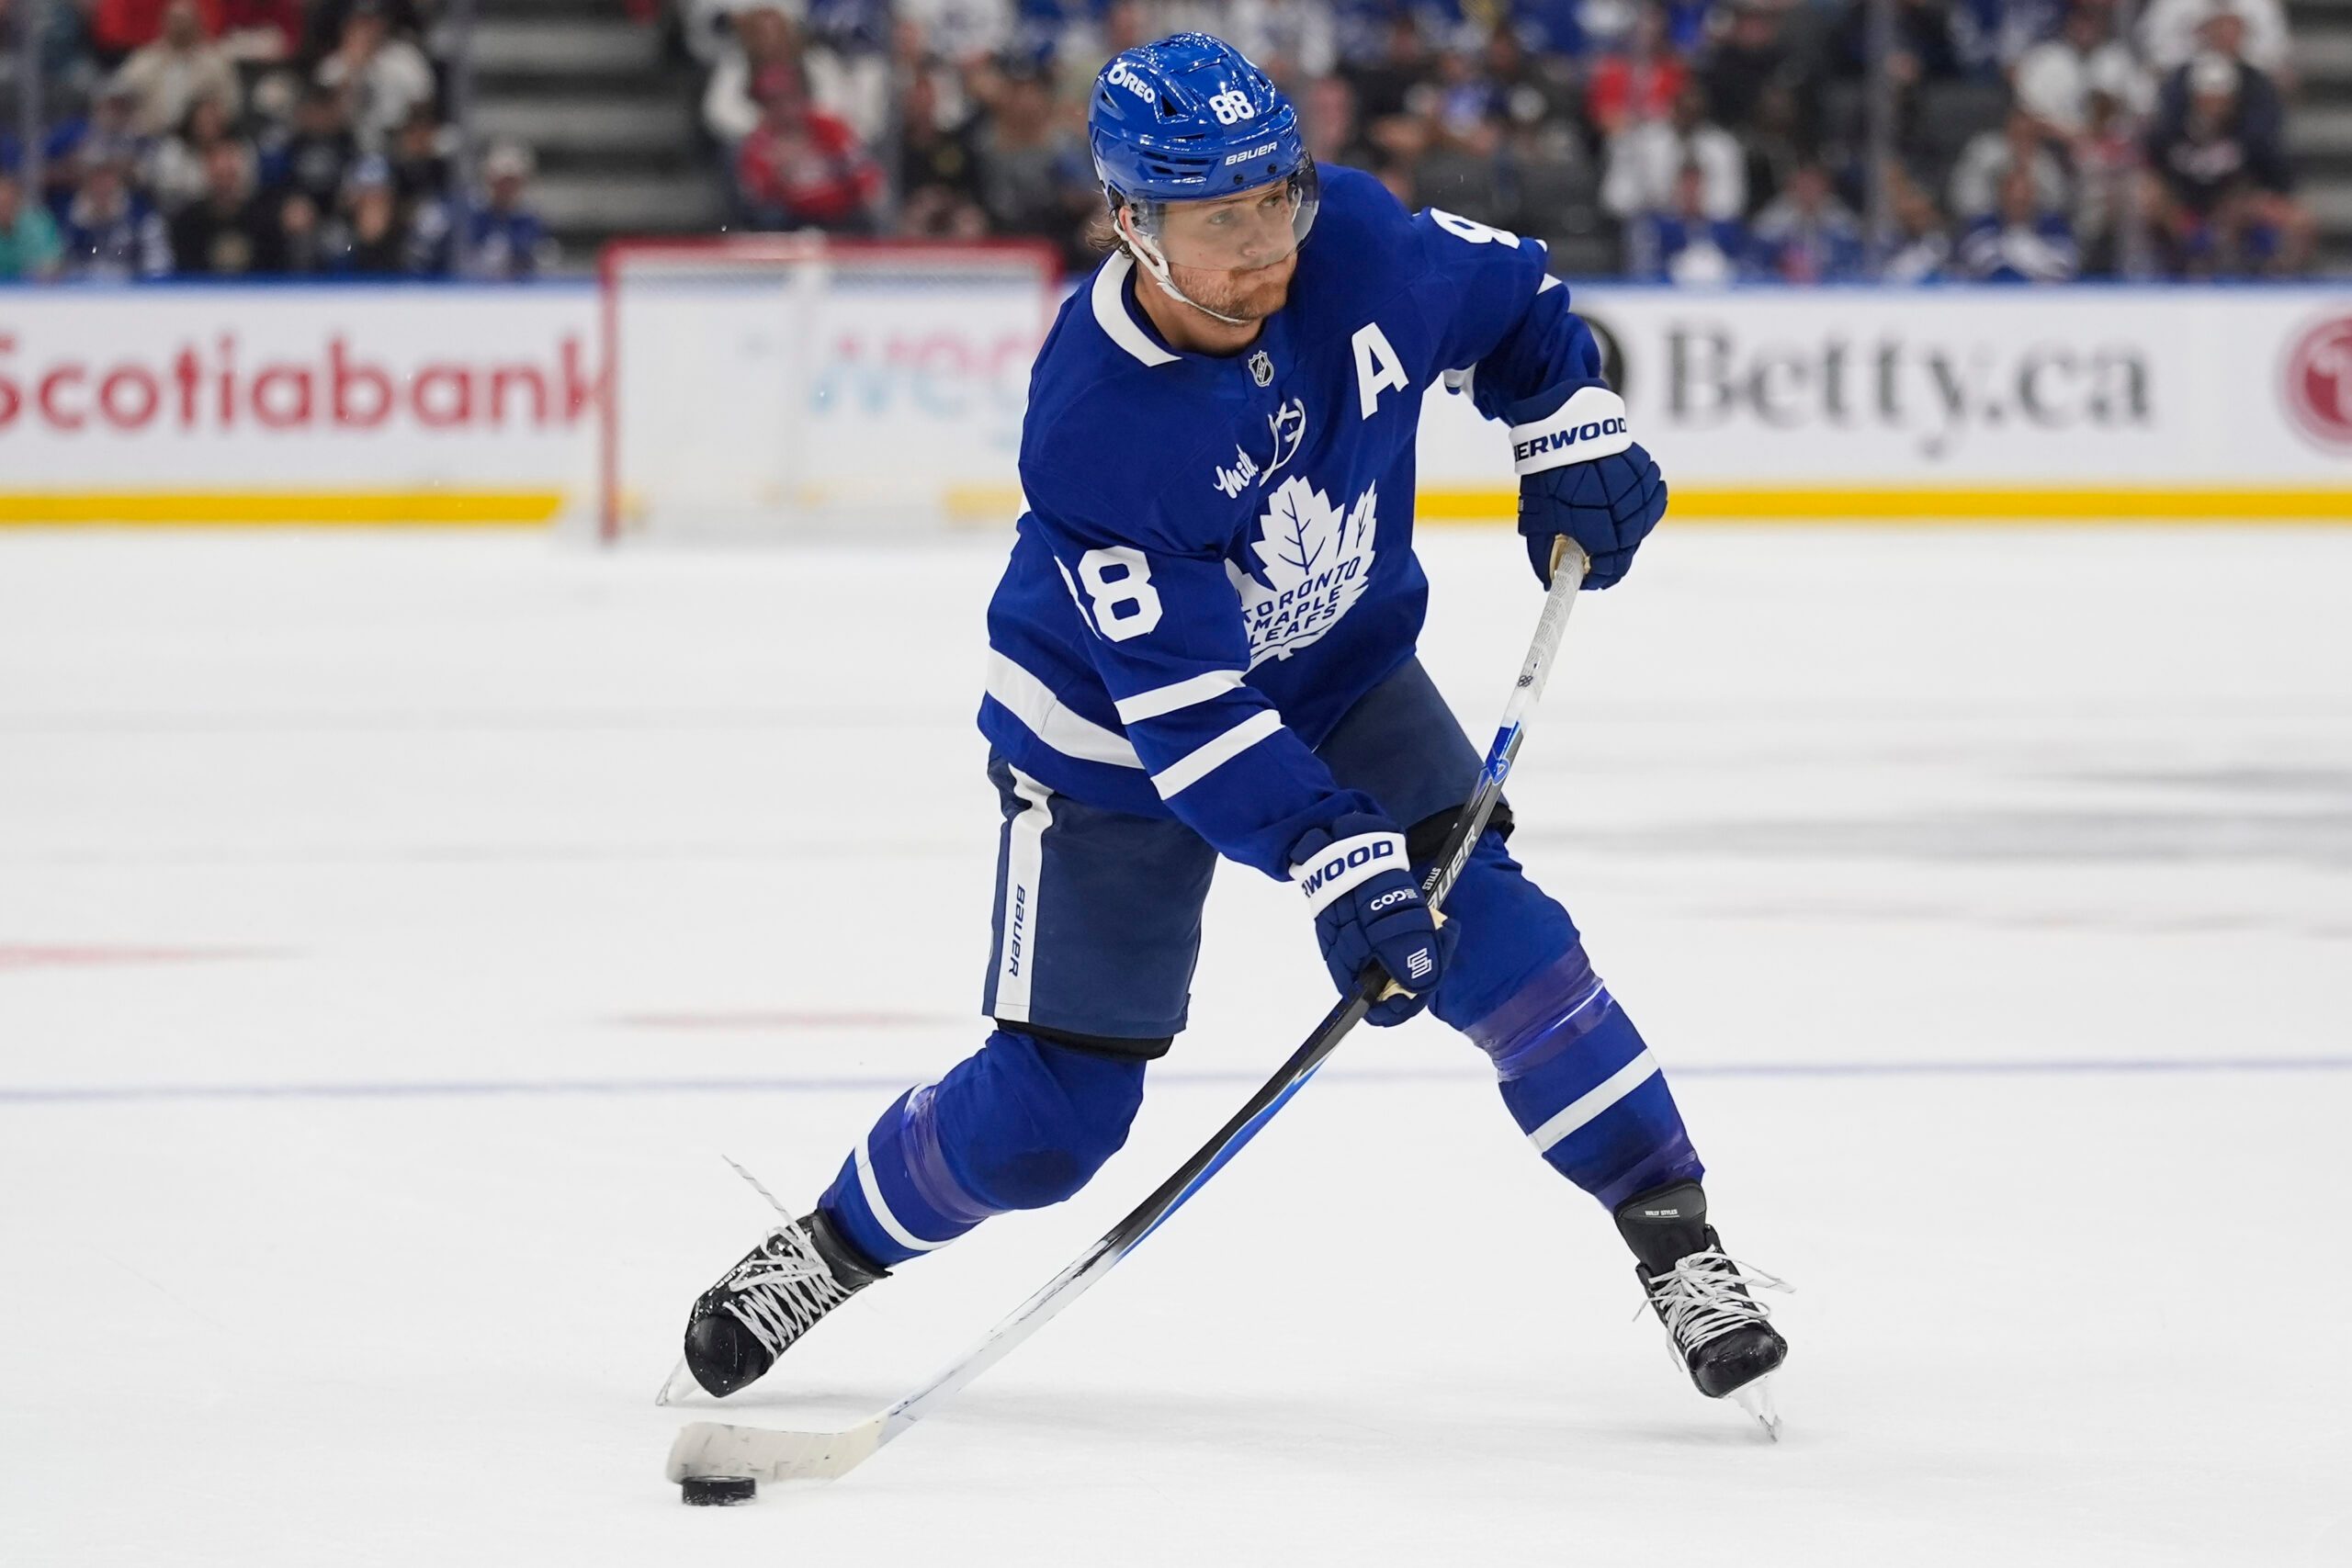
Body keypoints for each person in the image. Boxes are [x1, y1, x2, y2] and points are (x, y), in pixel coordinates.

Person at [667, 31, 1789, 1427]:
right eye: (1221, 221)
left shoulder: (1362, 246)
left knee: (1512, 953)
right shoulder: (1095, 420)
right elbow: (1189, 714)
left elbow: (1519, 300)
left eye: (1279, 201)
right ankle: (829, 1248)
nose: (1267, 249)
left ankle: (1676, 1243)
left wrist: (1566, 420)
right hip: (1113, 754)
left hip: (1342, 677)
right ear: (1130, 221)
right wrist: (1336, 859)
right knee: (1053, 1123)